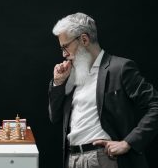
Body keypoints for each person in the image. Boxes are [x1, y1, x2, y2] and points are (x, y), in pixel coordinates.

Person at [48, 12, 158, 168]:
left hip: (105, 159)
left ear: (84, 39)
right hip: (72, 159)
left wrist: (128, 143)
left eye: (65, 47)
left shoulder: (120, 68)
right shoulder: (71, 75)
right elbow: (55, 117)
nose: (64, 54)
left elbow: (155, 105)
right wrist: (58, 83)